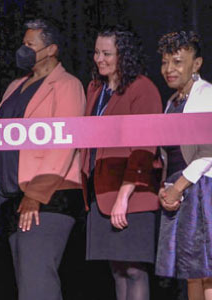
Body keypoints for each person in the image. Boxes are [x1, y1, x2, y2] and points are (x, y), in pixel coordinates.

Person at [0, 19, 85, 300]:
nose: (23, 50)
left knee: (37, 285)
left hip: (47, 199)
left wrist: (36, 194)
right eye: (23, 43)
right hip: (14, 198)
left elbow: (63, 144)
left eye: (30, 45)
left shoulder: (67, 85)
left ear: (51, 49)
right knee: (26, 284)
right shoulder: (15, 86)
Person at [81, 26, 162, 300]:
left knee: (134, 270)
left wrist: (123, 197)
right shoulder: (95, 88)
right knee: (117, 270)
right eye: (96, 52)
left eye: (107, 53)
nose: (99, 59)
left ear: (123, 55)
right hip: (102, 192)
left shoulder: (142, 89)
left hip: (133, 196)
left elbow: (144, 149)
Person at [155, 31, 212, 300]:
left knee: (208, 269)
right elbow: (170, 154)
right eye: (165, 62)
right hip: (181, 190)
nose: (169, 69)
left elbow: (207, 151)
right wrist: (166, 188)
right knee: (191, 270)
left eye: (177, 62)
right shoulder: (172, 103)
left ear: (196, 63)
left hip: (203, 188)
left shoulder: (207, 95)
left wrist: (177, 187)